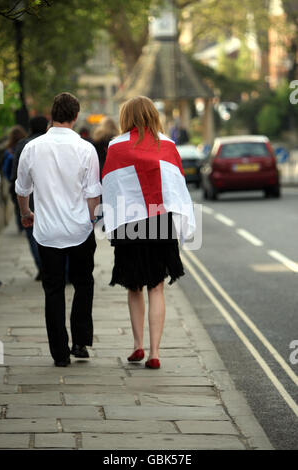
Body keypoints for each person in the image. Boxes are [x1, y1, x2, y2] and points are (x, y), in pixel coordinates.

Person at [102, 96, 196, 369]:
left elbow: (110, 186)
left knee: (134, 286)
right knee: (156, 287)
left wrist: (107, 220)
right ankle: (155, 353)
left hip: (130, 222)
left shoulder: (116, 147)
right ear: (153, 116)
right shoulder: (167, 145)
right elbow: (178, 186)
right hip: (159, 220)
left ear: (126, 117)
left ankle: (137, 345)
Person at [15, 92, 102, 367]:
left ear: (52, 115)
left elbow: (22, 188)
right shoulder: (86, 149)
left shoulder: (33, 148)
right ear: (76, 116)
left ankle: (59, 353)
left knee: (53, 289)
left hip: (47, 231)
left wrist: (25, 213)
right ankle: (80, 341)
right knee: (83, 283)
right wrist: (90, 222)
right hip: (78, 229)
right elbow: (93, 193)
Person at [10, 116, 49, 281]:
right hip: (48, 197)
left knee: (33, 236)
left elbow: (16, 177)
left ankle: (42, 268)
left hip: (29, 199)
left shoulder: (22, 145)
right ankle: (62, 270)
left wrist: (21, 208)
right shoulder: (51, 143)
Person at [2, 125, 27, 232]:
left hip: (13, 180)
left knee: (17, 204)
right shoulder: (26, 147)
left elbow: (5, 168)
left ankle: (20, 225)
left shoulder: (8, 151)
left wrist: (9, 178)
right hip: (25, 179)